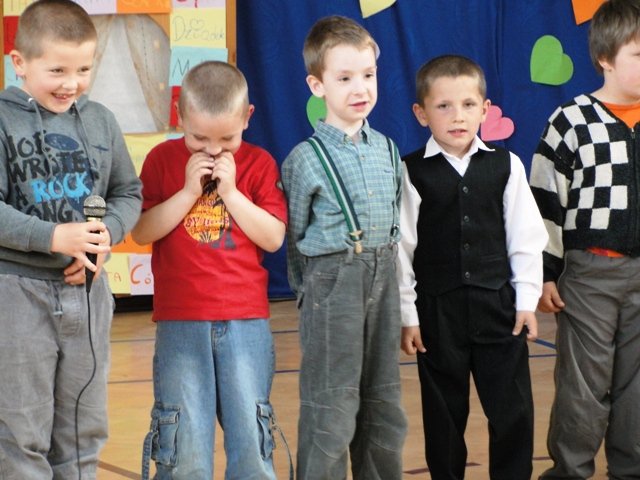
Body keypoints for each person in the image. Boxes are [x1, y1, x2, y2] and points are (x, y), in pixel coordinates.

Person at [0, 0, 142, 478]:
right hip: (16, 294)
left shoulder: (100, 120)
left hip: (88, 293)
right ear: (19, 62)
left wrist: (104, 237)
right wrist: (54, 236)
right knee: (21, 431)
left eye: (83, 69)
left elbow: (127, 192)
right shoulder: (2, 120)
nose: (72, 83)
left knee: (84, 428)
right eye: (57, 70)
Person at [133, 60, 288, 480]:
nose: (214, 150)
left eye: (228, 139)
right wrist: (188, 191)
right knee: (184, 448)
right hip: (180, 320)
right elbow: (142, 231)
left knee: (251, 440)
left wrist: (232, 193)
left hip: (245, 320)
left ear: (247, 117)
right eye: (199, 137)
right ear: (180, 115)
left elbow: (273, 238)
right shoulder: (161, 159)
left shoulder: (259, 163)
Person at [397, 54, 548, 480]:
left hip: (498, 306)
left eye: (467, 105)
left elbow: (525, 237)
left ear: (485, 109)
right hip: (437, 311)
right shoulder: (411, 171)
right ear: (421, 113)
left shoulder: (506, 165)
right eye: (443, 106)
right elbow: (402, 248)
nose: (457, 116)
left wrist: (526, 301)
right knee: (444, 415)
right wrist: (409, 316)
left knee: (513, 409)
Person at [281, 15, 407, 480]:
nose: (361, 88)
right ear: (317, 86)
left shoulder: (388, 150)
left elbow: (397, 223)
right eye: (345, 78)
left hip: (384, 277)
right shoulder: (305, 159)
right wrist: (315, 291)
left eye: (368, 75)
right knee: (331, 403)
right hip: (332, 284)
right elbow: (294, 240)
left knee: (383, 399)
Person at [530, 0, 640, 477]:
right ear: (605, 57)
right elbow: (544, 202)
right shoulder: (572, 120)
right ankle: (570, 471)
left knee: (637, 389)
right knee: (583, 385)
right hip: (590, 274)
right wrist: (545, 272)